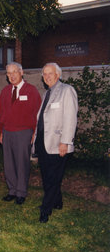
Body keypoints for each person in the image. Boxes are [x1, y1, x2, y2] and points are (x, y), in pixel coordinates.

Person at [33, 63, 78, 223]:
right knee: (47, 176)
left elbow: (70, 119)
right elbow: (43, 119)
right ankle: (57, 201)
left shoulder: (66, 90)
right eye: (44, 74)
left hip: (58, 143)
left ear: (58, 75)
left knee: (53, 177)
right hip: (43, 143)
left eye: (50, 73)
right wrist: (35, 136)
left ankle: (46, 209)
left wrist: (65, 142)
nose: (47, 77)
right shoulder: (47, 93)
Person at [0, 62, 41, 205]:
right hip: (7, 131)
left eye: (14, 72)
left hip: (24, 132)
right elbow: (2, 114)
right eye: (9, 73)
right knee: (8, 163)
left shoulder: (31, 90)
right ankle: (12, 190)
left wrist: (34, 132)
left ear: (21, 72)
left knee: (22, 163)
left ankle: (21, 192)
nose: (12, 75)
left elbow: (37, 114)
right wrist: (1, 131)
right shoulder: (5, 91)